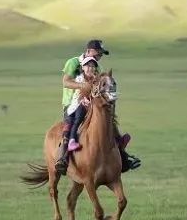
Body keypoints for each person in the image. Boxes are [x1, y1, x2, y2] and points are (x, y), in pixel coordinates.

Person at [55, 39, 141, 174]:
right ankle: (63, 159)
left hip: (91, 102)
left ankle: (123, 156)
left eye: (101, 54)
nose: (99, 56)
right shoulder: (73, 62)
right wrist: (83, 86)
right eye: (98, 53)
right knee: (71, 125)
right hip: (71, 103)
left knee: (107, 122)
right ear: (88, 51)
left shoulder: (97, 67)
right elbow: (65, 82)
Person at [65, 56, 99, 152]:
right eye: (87, 66)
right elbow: (81, 94)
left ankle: (117, 139)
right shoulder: (80, 79)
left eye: (92, 66)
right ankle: (71, 140)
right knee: (79, 115)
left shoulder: (97, 79)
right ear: (83, 68)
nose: (90, 68)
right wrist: (85, 99)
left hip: (92, 104)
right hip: (78, 104)